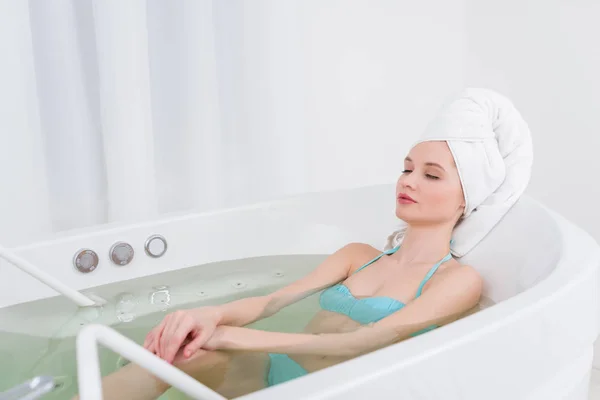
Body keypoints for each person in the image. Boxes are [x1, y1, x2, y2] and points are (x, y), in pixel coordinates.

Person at [72, 88, 533, 400]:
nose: (408, 180)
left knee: (206, 347)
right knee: (180, 354)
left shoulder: (458, 281)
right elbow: (271, 301)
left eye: (431, 175)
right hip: (277, 373)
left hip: (336, 392)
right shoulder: (357, 256)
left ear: (466, 198)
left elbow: (367, 343)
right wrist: (208, 317)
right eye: (407, 166)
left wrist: (235, 338)